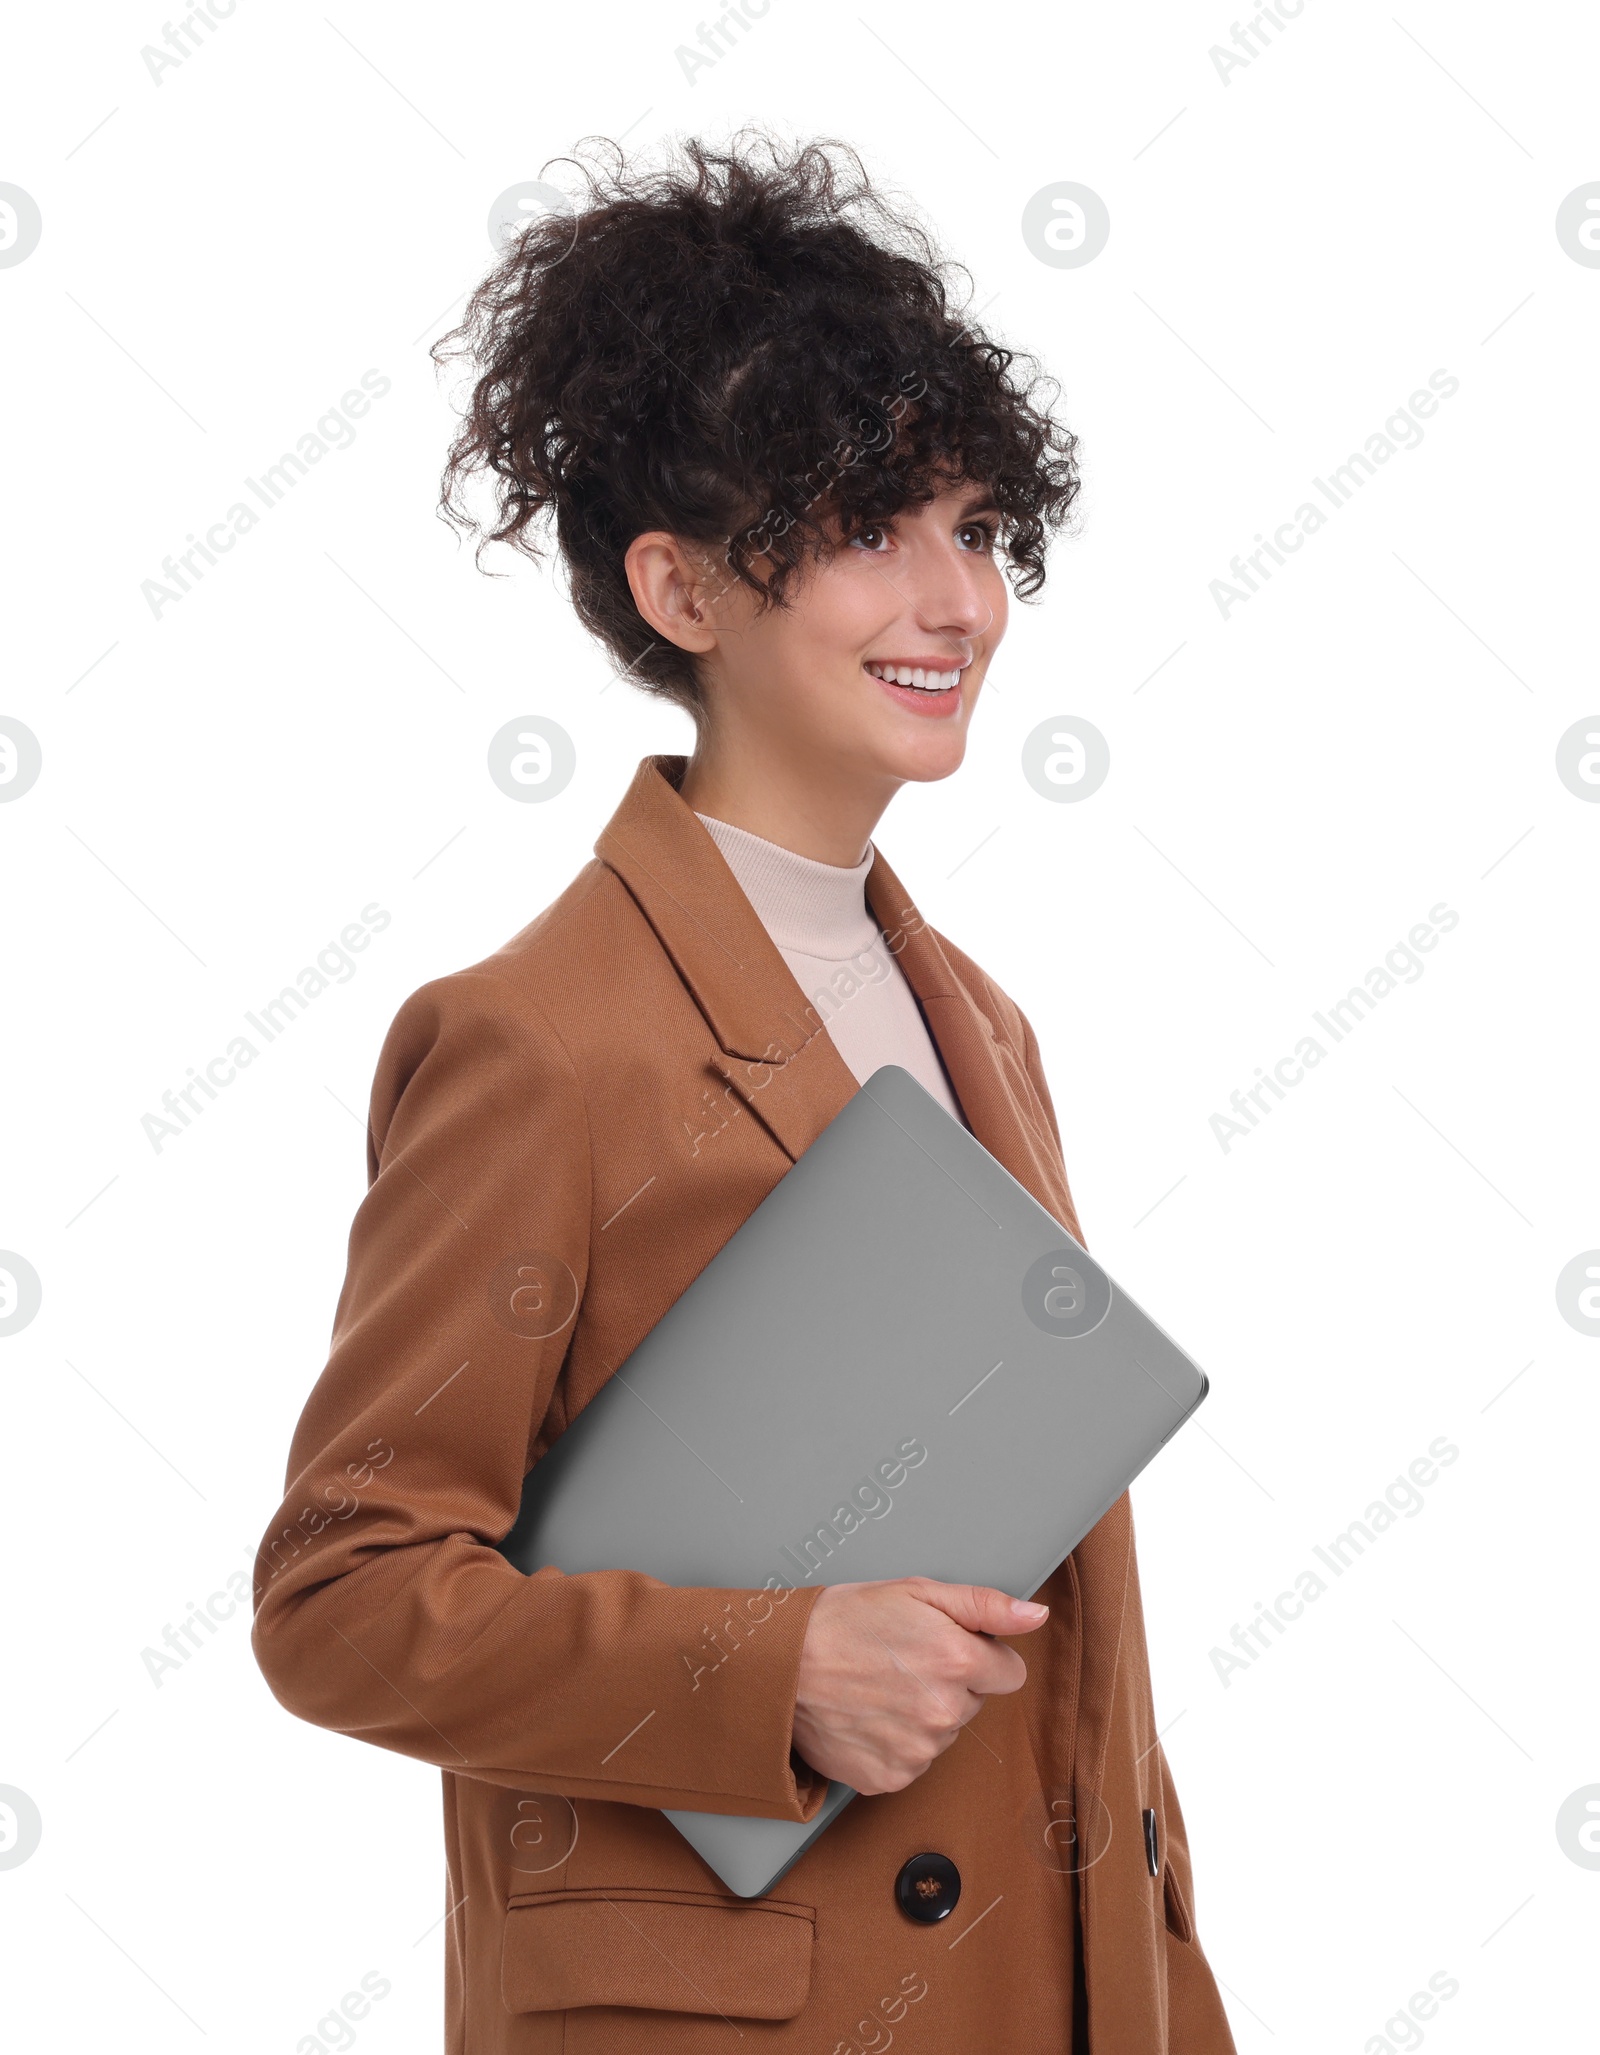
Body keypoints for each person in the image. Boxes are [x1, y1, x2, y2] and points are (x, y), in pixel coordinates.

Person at [251, 132, 1236, 2053]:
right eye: (874, 529)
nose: (957, 598)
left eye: (976, 524)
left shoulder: (985, 1024)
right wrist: (765, 1669)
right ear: (682, 588)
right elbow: (341, 1593)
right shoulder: (541, 1037)